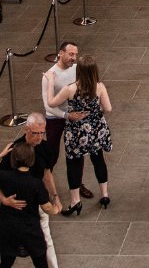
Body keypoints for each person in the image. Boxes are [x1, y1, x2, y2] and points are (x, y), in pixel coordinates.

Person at [0, 113, 62, 268]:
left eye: (42, 133)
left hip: (37, 200)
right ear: (26, 130)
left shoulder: (45, 148)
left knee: (46, 239)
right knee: (6, 250)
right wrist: (4, 200)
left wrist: (55, 195)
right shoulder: (14, 150)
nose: (39, 137)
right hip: (13, 205)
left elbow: (47, 173)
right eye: (35, 133)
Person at [47, 55, 113, 213]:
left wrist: (50, 82)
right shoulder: (99, 87)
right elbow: (108, 108)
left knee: (74, 164)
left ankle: (75, 201)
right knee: (98, 160)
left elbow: (51, 103)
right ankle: (104, 194)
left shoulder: (70, 89)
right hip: (97, 129)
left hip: (77, 132)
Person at [42, 42, 93, 199]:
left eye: (76, 54)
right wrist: (65, 116)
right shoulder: (49, 76)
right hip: (56, 118)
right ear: (60, 53)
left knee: (77, 152)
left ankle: (78, 184)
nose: (74, 58)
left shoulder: (76, 69)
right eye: (71, 54)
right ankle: (46, 187)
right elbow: (48, 106)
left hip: (74, 115)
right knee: (52, 153)